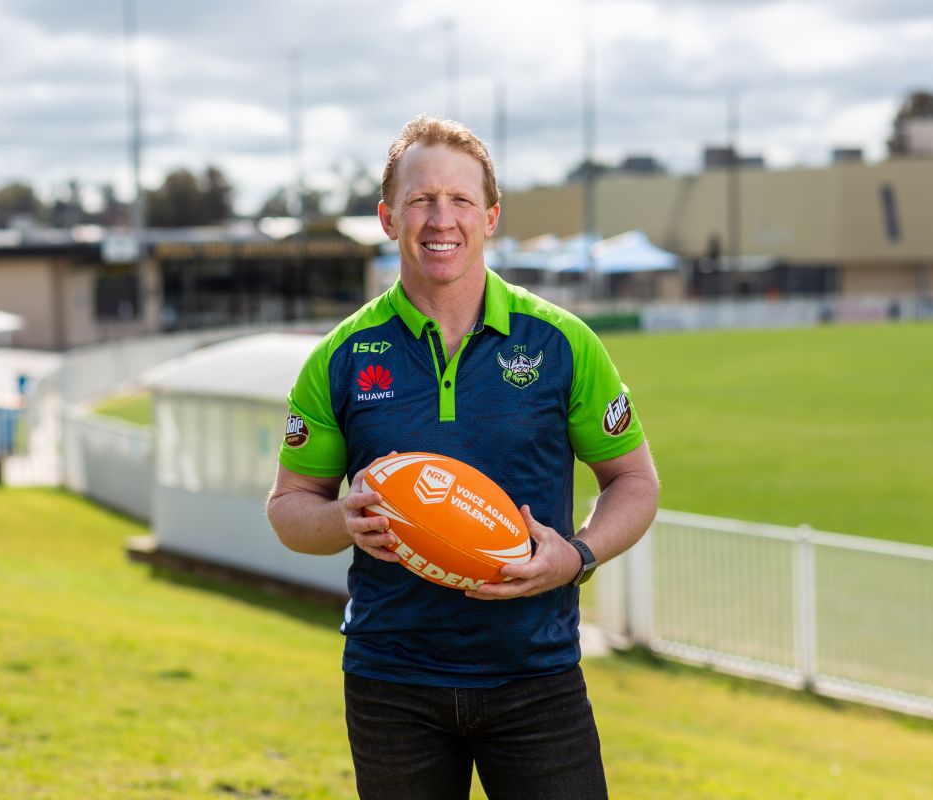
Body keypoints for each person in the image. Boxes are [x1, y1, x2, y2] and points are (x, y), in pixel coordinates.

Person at [266, 115, 659, 800]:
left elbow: (634, 482)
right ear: (389, 218)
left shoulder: (562, 343)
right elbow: (289, 506)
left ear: (491, 215)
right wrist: (341, 522)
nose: (439, 219)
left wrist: (579, 554)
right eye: (420, 200)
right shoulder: (340, 356)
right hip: (392, 683)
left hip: (536, 678)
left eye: (460, 200)